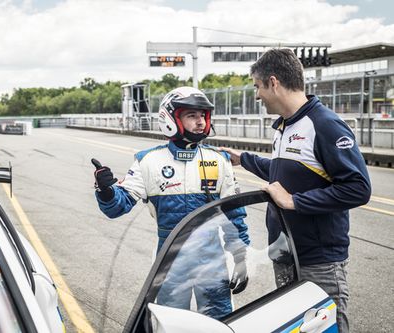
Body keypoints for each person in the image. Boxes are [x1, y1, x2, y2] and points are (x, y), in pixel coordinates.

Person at [222, 48, 371, 333]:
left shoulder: (324, 124)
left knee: (327, 329)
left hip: (318, 261)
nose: (256, 95)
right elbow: (286, 172)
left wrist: (294, 201)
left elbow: (359, 189)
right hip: (287, 254)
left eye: (257, 86)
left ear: (273, 82)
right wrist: (244, 159)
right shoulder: (285, 126)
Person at [92, 86, 250, 319]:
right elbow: (119, 205)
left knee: (220, 323)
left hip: (212, 260)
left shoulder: (218, 161)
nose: (200, 122)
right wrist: (105, 190)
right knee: (173, 324)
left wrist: (240, 257)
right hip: (170, 260)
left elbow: (233, 215)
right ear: (171, 119)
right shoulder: (148, 161)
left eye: (203, 116)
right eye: (191, 115)